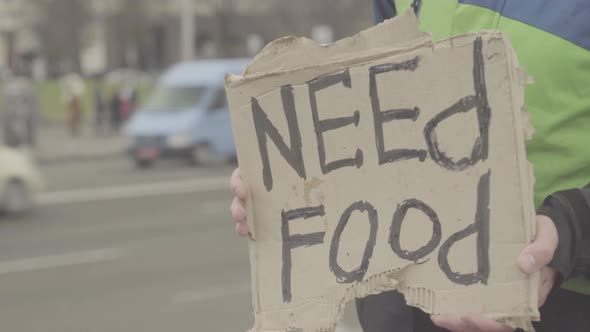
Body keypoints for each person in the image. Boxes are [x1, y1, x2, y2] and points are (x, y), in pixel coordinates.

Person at [230, 1, 590, 331]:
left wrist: (571, 229)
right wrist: (291, 179)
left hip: (559, 308)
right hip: (400, 312)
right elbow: (382, 108)